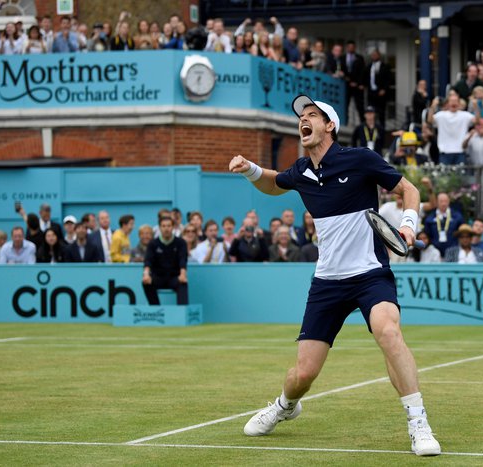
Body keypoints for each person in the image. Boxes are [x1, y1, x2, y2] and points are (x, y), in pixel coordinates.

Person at [229, 94, 441, 456]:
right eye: (301, 117)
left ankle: (419, 423)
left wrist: (407, 224)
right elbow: (273, 182)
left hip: (371, 273)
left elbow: (409, 189)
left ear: (330, 126)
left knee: (389, 332)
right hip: (327, 281)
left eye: (313, 115)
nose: (304, 121)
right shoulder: (300, 170)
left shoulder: (360, 159)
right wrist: (250, 168)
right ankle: (285, 406)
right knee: (303, 375)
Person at [143, 216, 188, 305]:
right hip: (158, 277)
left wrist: (183, 275)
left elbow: (183, 260)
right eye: (163, 226)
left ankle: (182, 313)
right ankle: (156, 310)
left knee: (183, 283)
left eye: (168, 226)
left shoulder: (181, 243)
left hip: (174, 277)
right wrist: (146, 274)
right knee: (146, 283)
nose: (166, 229)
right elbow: (148, 261)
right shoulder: (153, 243)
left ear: (173, 227)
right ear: (159, 228)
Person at [428, 94, 475, 165]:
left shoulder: (465, 115)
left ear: (459, 103)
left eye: (455, 101)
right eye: (452, 101)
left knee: (460, 175)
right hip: (445, 152)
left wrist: (476, 106)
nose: (453, 103)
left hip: (460, 152)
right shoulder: (441, 115)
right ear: (448, 103)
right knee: (444, 176)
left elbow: (477, 121)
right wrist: (432, 107)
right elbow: (430, 120)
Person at [424, 192, 463, 258]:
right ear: (436, 202)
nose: (443, 204)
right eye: (441, 201)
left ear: (449, 202)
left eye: (445, 201)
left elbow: (461, 233)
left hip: (453, 251)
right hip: (435, 252)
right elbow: (427, 234)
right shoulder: (430, 217)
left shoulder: (457, 216)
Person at [365, 49, 391, 127]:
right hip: (371, 93)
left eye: (375, 55)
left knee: (381, 113)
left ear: (379, 55)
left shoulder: (385, 66)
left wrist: (384, 89)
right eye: (372, 55)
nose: (374, 56)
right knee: (370, 112)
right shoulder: (369, 66)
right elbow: (365, 78)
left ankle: (382, 129)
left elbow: (388, 79)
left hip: (381, 93)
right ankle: (371, 129)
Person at [342, 40, 366, 122]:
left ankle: (363, 124)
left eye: (352, 47)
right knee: (345, 105)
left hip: (357, 86)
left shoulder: (359, 58)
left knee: (360, 106)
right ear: (347, 48)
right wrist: (347, 79)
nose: (351, 48)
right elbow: (341, 70)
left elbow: (362, 72)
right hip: (346, 86)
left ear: (354, 48)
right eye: (349, 47)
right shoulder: (342, 57)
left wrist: (358, 83)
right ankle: (344, 122)